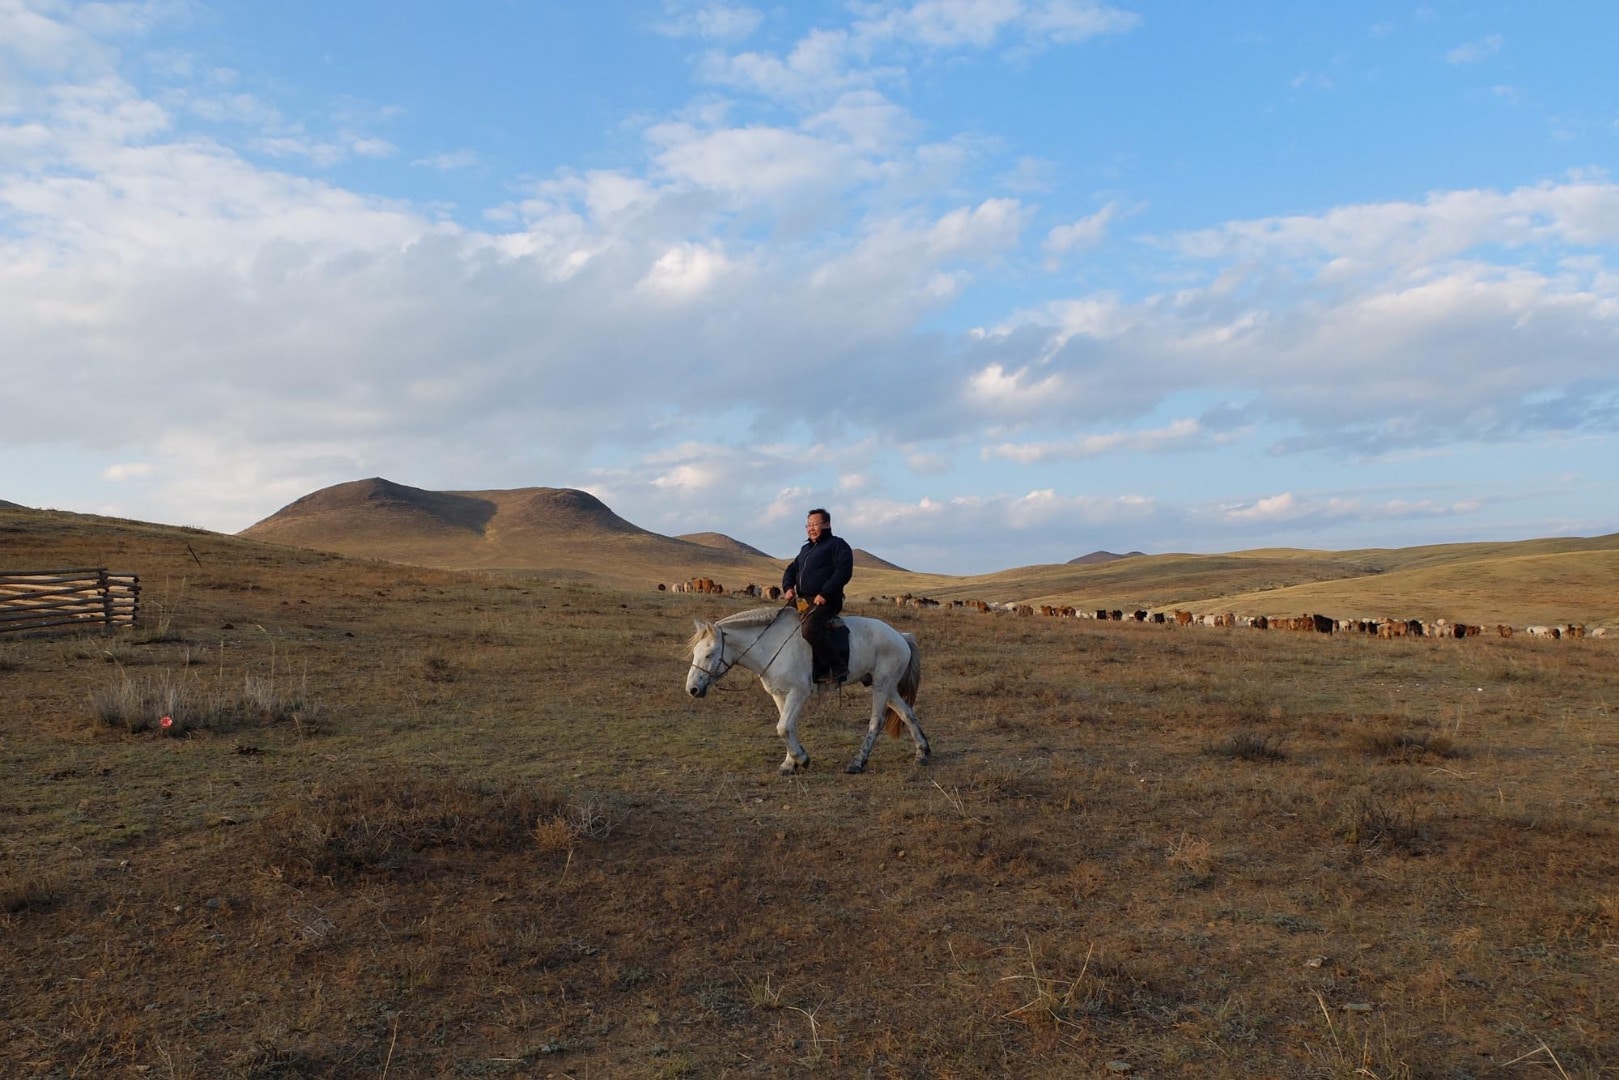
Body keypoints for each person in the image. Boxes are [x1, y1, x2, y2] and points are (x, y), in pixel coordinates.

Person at [781, 507, 854, 684]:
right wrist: (788, 587)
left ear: (827, 524)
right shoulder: (805, 549)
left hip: (826, 600)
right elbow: (792, 569)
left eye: (815, 524)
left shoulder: (837, 545)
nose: (811, 528)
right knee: (780, 623)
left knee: (810, 629)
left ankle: (836, 668)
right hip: (802, 600)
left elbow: (843, 572)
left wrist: (825, 593)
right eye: (808, 525)